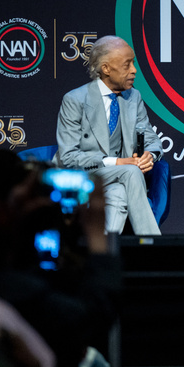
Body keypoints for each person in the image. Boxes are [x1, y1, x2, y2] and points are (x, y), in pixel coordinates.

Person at [56, 35, 163, 235]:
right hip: (83, 176)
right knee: (130, 172)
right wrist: (116, 162)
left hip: (119, 180)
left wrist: (150, 154)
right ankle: (152, 245)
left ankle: (102, 256)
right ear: (106, 69)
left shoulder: (134, 97)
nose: (134, 70)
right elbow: (69, 158)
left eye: (133, 63)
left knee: (117, 195)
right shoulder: (75, 100)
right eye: (127, 65)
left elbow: (150, 138)